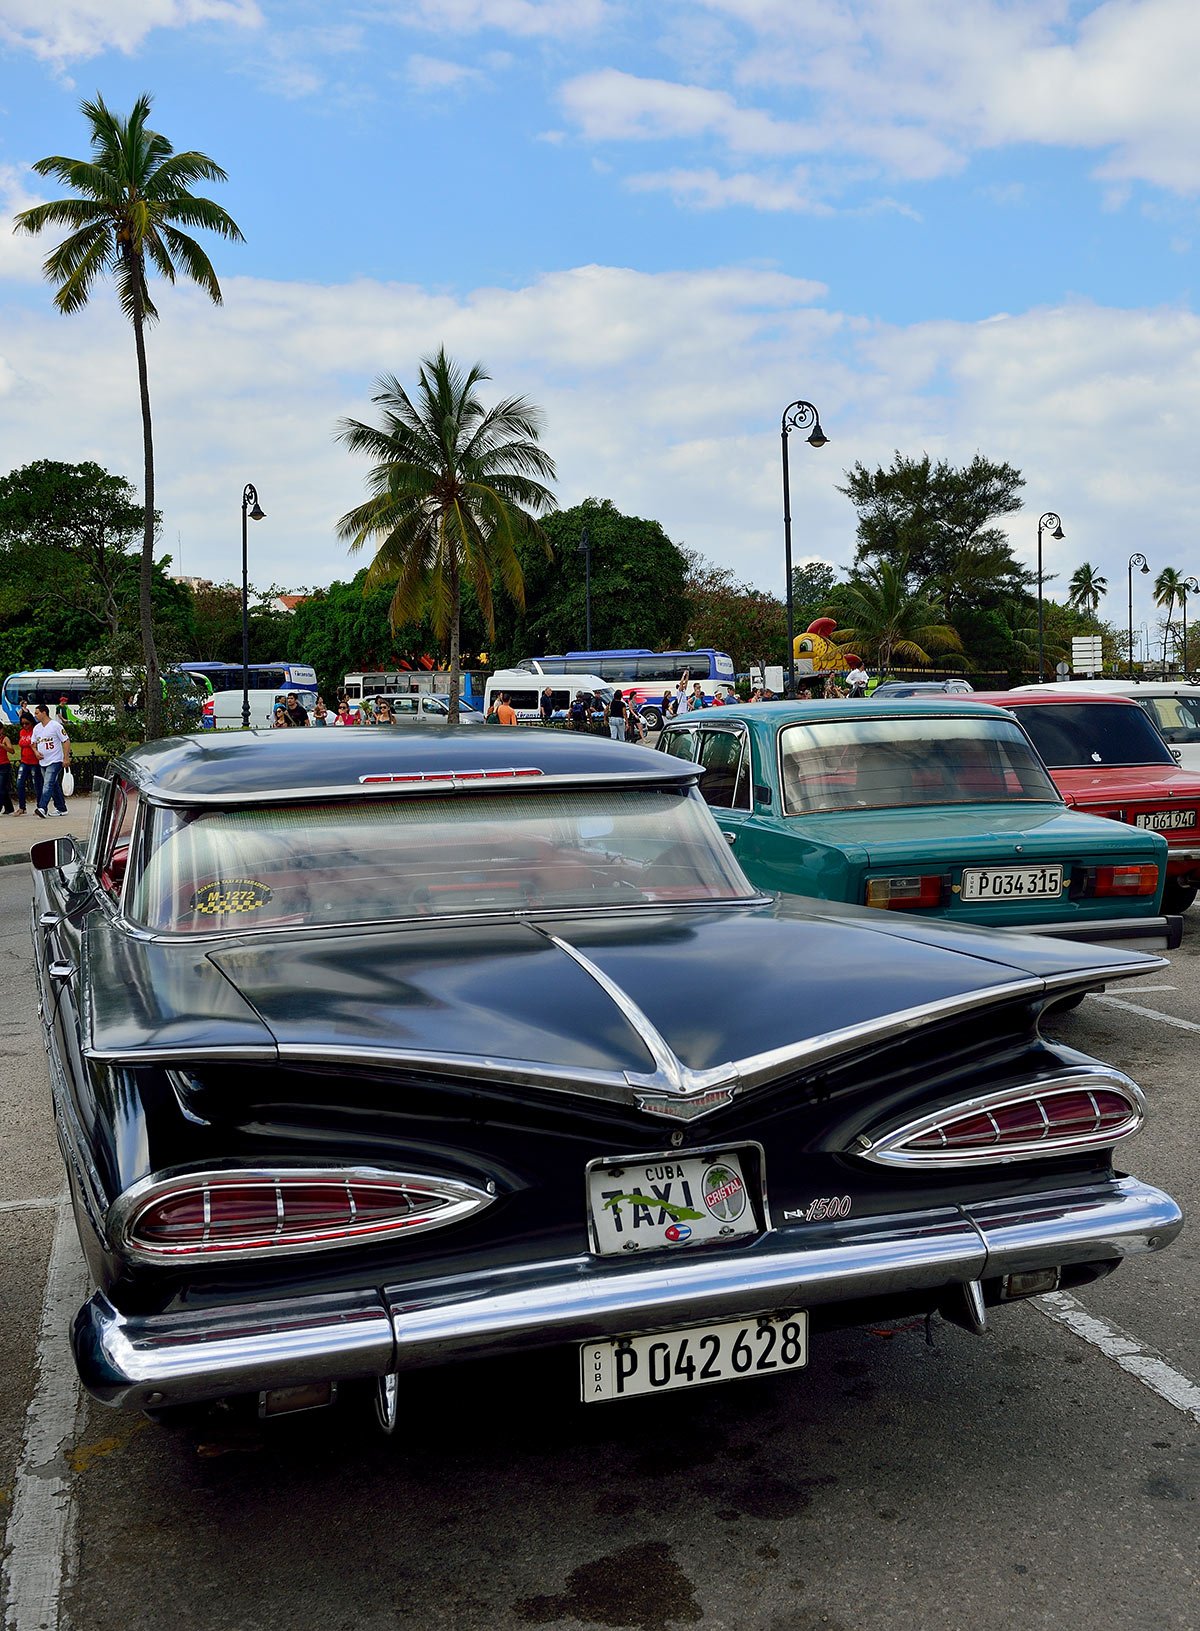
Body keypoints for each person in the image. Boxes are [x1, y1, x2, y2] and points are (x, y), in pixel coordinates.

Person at [32, 702, 70, 818]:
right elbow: (33, 744)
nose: (35, 715)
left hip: (55, 759)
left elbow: (66, 741)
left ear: (44, 713)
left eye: (37, 713)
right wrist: (36, 752)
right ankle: (61, 808)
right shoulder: (37, 728)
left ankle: (42, 807)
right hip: (43, 761)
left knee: (47, 784)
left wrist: (66, 758)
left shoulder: (55, 726)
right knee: (53, 785)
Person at [15, 710, 41, 814]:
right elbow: (22, 744)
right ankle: (22, 807)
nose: (25, 725)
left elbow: (35, 743)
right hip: (24, 760)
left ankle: (40, 806)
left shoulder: (36, 731)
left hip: (34, 761)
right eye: (22, 723)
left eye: (27, 723)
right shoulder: (22, 732)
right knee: (19, 783)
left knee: (36, 784)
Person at [0, 728, 15, 815]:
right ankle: (9, 807)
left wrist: (3, 746)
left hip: (4, 765)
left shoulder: (5, 739)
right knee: (3, 788)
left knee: (1, 787)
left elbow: (12, 751)